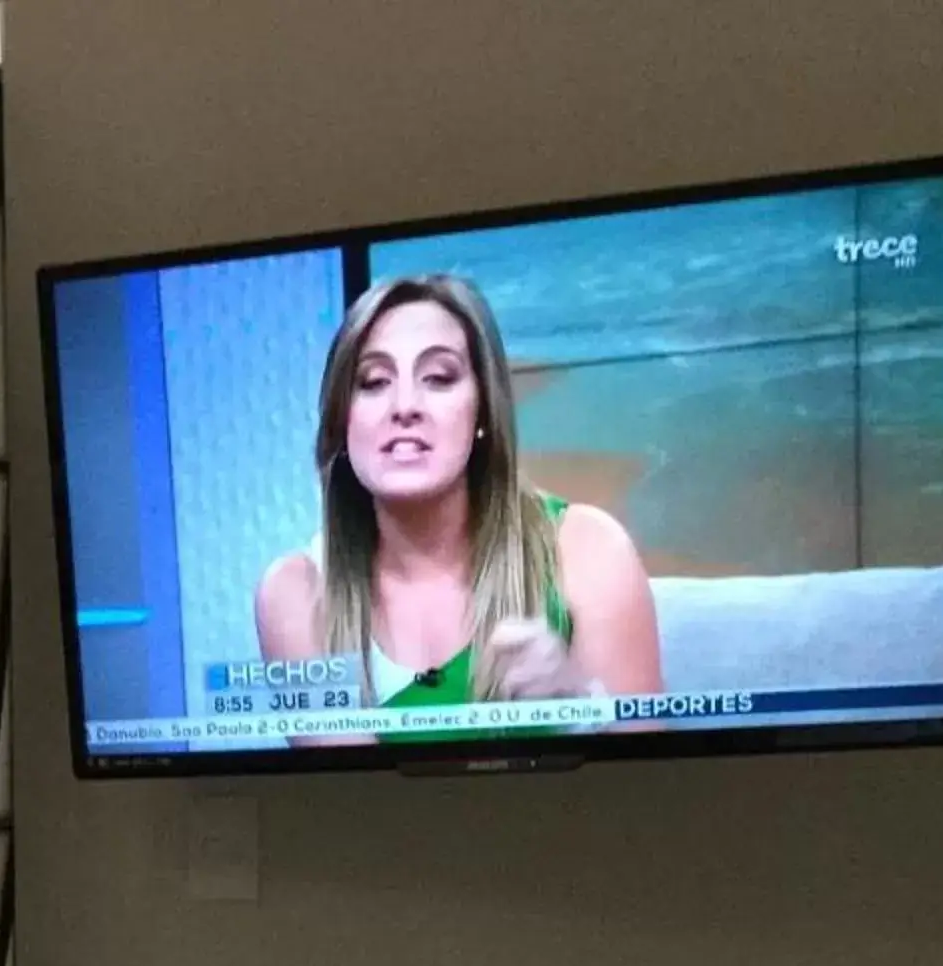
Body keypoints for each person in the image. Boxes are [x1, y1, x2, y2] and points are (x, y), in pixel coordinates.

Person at [255, 273, 660, 737]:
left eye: (439, 378)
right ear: (342, 420)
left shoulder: (586, 549)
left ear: (483, 412)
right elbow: (353, 804)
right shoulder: (295, 594)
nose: (404, 406)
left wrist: (579, 706)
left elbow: (647, 790)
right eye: (373, 382)